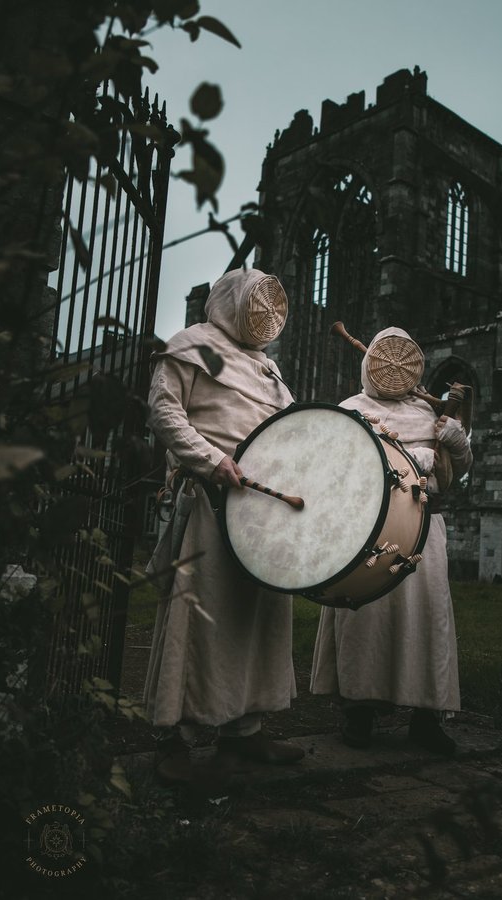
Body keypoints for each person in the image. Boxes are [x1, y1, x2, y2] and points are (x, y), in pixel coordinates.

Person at [143, 267, 304, 783]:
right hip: (212, 501)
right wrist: (211, 460)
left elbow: (295, 429)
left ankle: (245, 731)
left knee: (255, 619)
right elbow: (164, 413)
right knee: (201, 619)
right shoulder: (189, 344)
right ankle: (175, 736)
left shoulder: (269, 371)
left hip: (266, 512)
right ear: (230, 300)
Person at [310, 326, 472, 756]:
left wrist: (456, 441)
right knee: (368, 620)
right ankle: (360, 711)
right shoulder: (350, 410)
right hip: (368, 530)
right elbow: (337, 468)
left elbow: (453, 473)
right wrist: (402, 461)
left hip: (424, 528)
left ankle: (426, 718)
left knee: (427, 618)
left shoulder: (428, 412)